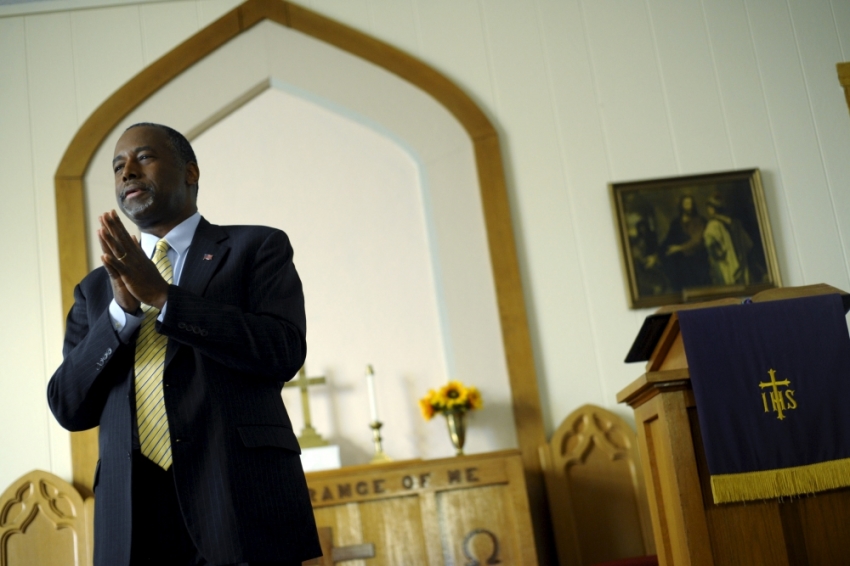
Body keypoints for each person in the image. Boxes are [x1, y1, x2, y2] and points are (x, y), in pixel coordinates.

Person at [47, 123, 321, 566]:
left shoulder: (256, 247)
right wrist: (122, 313)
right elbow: (68, 407)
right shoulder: (95, 291)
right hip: (132, 518)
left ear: (190, 172)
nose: (127, 172)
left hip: (238, 500)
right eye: (118, 167)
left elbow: (282, 351)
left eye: (143, 158)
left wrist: (163, 296)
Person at [661, 194, 710, 292]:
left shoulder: (700, 220)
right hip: (682, 264)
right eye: (686, 204)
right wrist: (656, 255)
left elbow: (698, 241)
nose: (689, 206)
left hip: (698, 263)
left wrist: (679, 248)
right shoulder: (676, 223)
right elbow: (668, 240)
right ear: (681, 205)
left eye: (690, 204)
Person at [703, 192, 753, 286]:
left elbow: (711, 246)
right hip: (741, 263)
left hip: (725, 265)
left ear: (712, 209)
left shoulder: (713, 225)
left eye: (709, 208)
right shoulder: (735, 223)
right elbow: (748, 244)